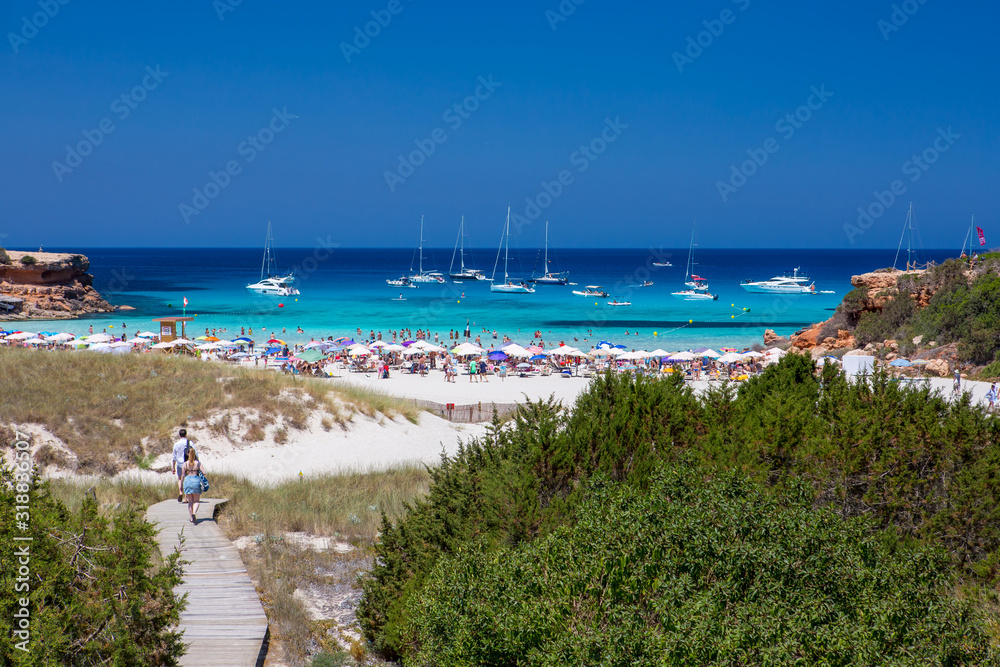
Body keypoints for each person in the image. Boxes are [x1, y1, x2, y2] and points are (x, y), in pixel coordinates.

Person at [181, 446, 205, 524]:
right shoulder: (198, 463)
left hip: (187, 481)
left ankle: (191, 518)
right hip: (196, 481)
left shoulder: (185, 464)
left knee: (190, 502)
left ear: (188, 454)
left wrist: (181, 486)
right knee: (196, 501)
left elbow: (182, 476)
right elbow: (204, 473)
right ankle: (194, 513)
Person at [172, 429, 191, 502]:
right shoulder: (189, 442)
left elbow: (174, 456)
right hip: (187, 463)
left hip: (179, 464)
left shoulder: (176, 444)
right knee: (187, 480)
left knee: (180, 478)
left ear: (179, 435)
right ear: (186, 434)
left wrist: (173, 467)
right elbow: (195, 454)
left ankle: (180, 492)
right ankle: (185, 497)